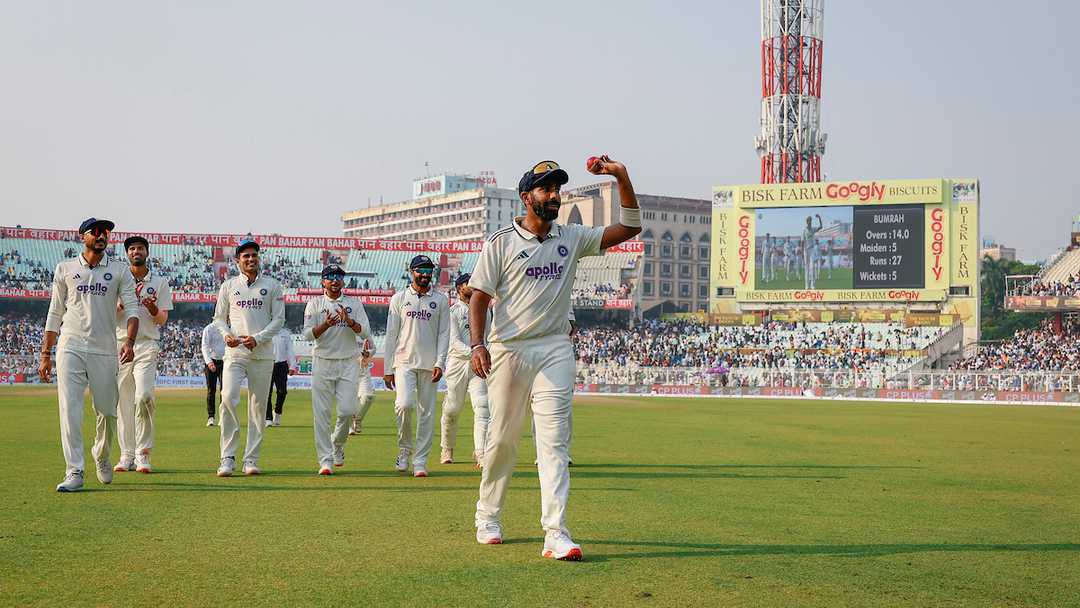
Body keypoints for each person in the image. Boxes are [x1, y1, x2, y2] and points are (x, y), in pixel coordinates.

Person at [468, 157, 641, 559]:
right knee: (502, 441)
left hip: (554, 350)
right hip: (509, 349)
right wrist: (478, 345)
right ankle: (488, 515)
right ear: (527, 197)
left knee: (554, 443)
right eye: (546, 190)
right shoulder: (501, 243)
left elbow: (630, 227)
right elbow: (479, 297)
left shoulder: (572, 237)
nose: (554, 196)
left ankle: (556, 532)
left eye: (557, 189)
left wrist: (620, 175)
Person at [41, 217, 140, 492]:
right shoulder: (65, 268)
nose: (102, 236)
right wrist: (45, 354)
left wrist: (130, 341)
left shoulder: (120, 270)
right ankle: (74, 470)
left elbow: (132, 309)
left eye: (106, 232)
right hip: (70, 345)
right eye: (95, 232)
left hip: (105, 349)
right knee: (69, 409)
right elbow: (54, 313)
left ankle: (103, 455)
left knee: (107, 412)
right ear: (82, 236)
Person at [211, 239, 285, 477]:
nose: (251, 259)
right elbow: (219, 318)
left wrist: (259, 338)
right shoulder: (229, 286)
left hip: (262, 355)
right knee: (228, 399)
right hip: (235, 353)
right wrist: (227, 335)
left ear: (258, 258)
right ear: (237, 261)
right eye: (246, 256)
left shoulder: (272, 286)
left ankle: (251, 459)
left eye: (254, 255)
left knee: (257, 407)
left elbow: (279, 320)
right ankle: (227, 457)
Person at [382, 255, 450, 478]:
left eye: (428, 271)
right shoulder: (399, 299)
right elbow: (391, 335)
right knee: (404, 405)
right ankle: (404, 450)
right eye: (420, 270)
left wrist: (440, 362)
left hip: (430, 365)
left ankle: (420, 461)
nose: (424, 275)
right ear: (411, 272)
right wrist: (387, 369)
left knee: (427, 414)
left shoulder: (440, 300)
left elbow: (444, 333)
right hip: (404, 362)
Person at [113, 235, 173, 474]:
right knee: (123, 402)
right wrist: (117, 307)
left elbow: (162, 320)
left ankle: (143, 453)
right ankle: (126, 454)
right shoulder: (117, 280)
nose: (136, 251)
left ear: (147, 252)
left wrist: (153, 309)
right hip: (120, 343)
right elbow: (105, 314)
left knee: (144, 396)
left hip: (147, 343)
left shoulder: (159, 282)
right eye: (132, 248)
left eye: (140, 248)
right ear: (127, 253)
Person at [302, 264, 370, 475]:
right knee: (321, 415)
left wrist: (349, 321)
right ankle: (325, 460)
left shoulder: (354, 304)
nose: (334, 280)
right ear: (322, 281)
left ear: (343, 281)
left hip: (348, 362)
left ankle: (337, 444)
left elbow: (365, 332)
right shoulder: (314, 304)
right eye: (330, 277)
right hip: (322, 361)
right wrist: (326, 325)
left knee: (347, 411)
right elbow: (307, 335)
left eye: (338, 276)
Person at [439, 273, 490, 467]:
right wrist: (477, 352)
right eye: (469, 283)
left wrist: (486, 352)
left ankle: (481, 452)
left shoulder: (485, 310)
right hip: (458, 364)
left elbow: (490, 335)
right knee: (452, 410)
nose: (474, 286)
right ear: (460, 287)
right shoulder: (452, 312)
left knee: (483, 406)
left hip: (478, 364)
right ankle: (447, 447)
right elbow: (454, 343)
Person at [265, 327, 296, 427]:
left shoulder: (285, 333)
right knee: (267, 393)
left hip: (281, 365)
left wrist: (292, 365)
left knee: (282, 391)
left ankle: (277, 412)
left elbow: (290, 350)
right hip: (268, 364)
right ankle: (268, 418)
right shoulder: (266, 331)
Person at [201, 322, 225, 426]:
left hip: (225, 361)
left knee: (225, 391)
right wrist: (209, 362)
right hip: (211, 361)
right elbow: (204, 346)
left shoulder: (228, 328)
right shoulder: (209, 329)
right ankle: (211, 417)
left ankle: (223, 417)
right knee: (211, 390)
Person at [350, 339, 376, 435]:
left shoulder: (364, 332)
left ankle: (357, 419)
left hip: (363, 372)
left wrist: (368, 353)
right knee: (349, 400)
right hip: (348, 372)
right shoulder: (343, 331)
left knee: (368, 397)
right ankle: (349, 426)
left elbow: (373, 348)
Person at [802, 214, 823, 289]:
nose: (810, 222)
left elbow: (821, 227)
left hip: (812, 250)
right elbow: (802, 242)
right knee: (806, 269)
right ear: (806, 222)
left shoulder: (813, 229)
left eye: (811, 221)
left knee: (812, 267)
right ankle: (806, 285)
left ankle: (812, 285)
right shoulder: (804, 230)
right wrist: (802, 252)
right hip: (805, 251)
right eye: (809, 221)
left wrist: (819, 218)